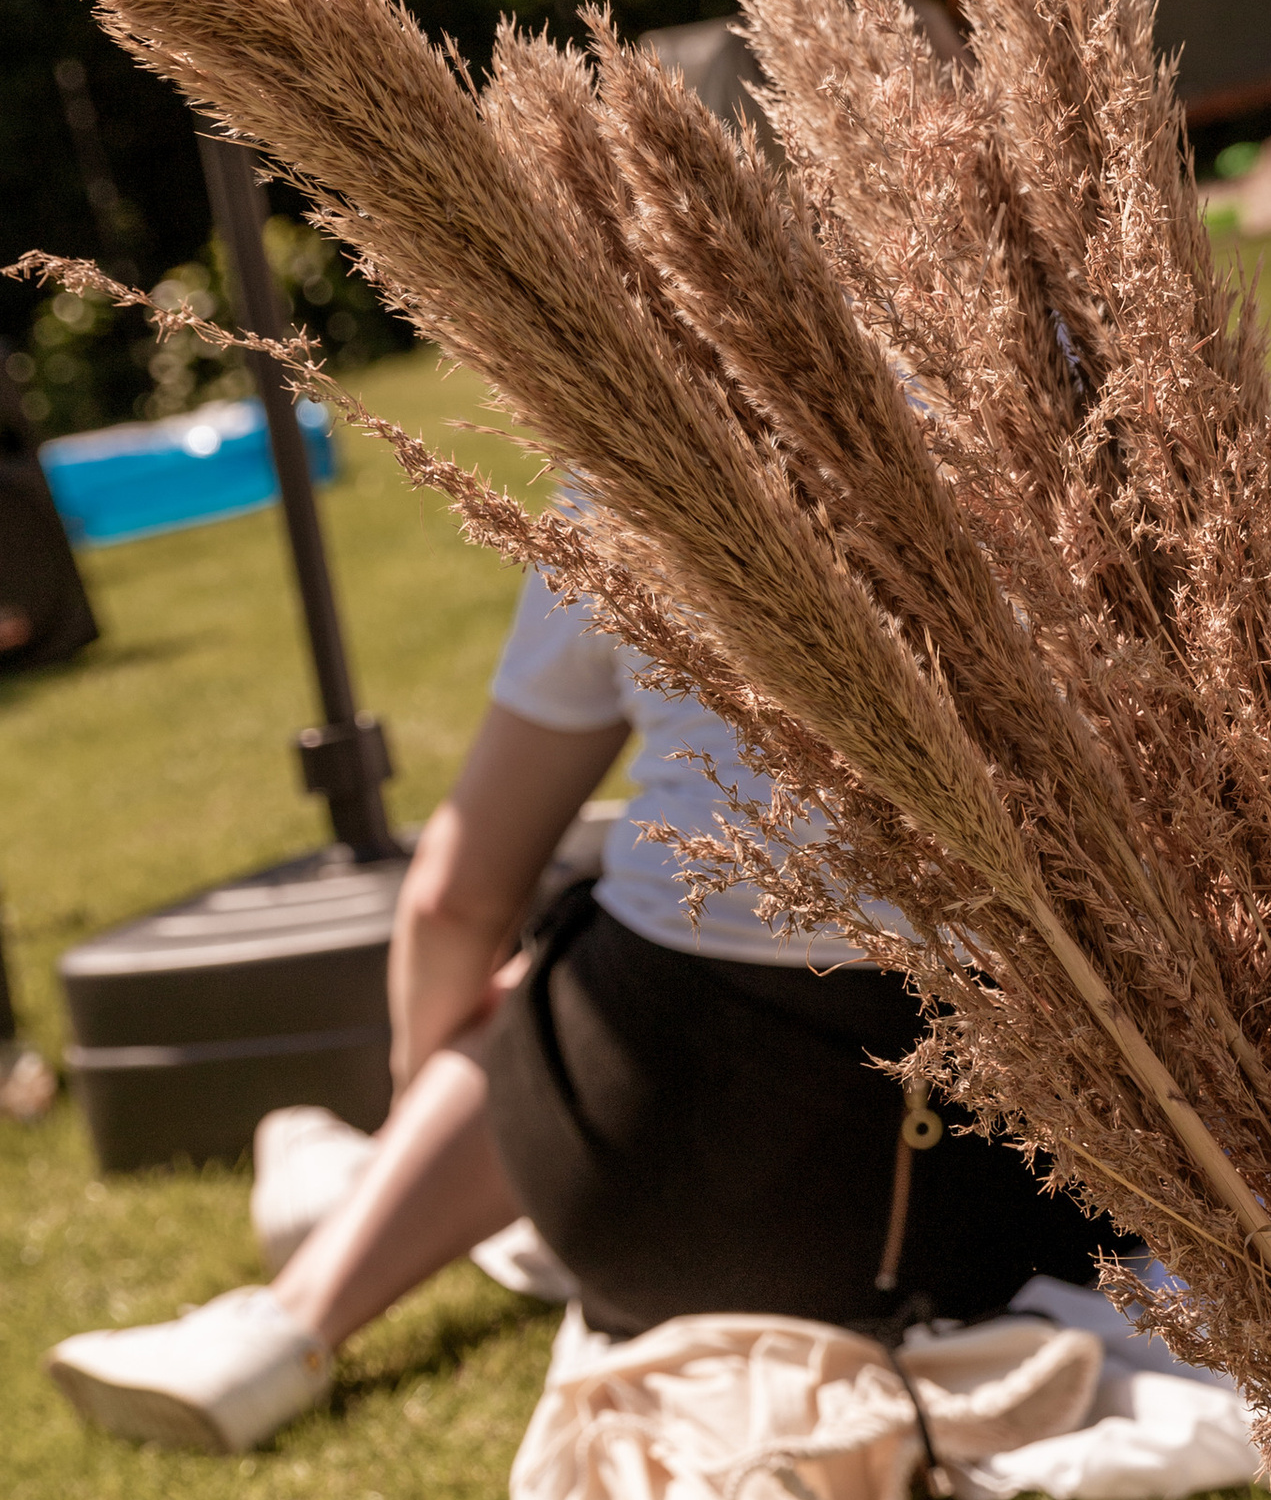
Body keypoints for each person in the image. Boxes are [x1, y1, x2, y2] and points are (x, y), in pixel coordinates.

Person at [48, 572, 1120, 1454]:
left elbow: (455, 900)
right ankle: (354, 1207)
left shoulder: (630, 455)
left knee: (554, 958)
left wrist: (428, 1107)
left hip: (655, 1208)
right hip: (1052, 1208)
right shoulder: (1085, 391)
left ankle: (298, 1315)